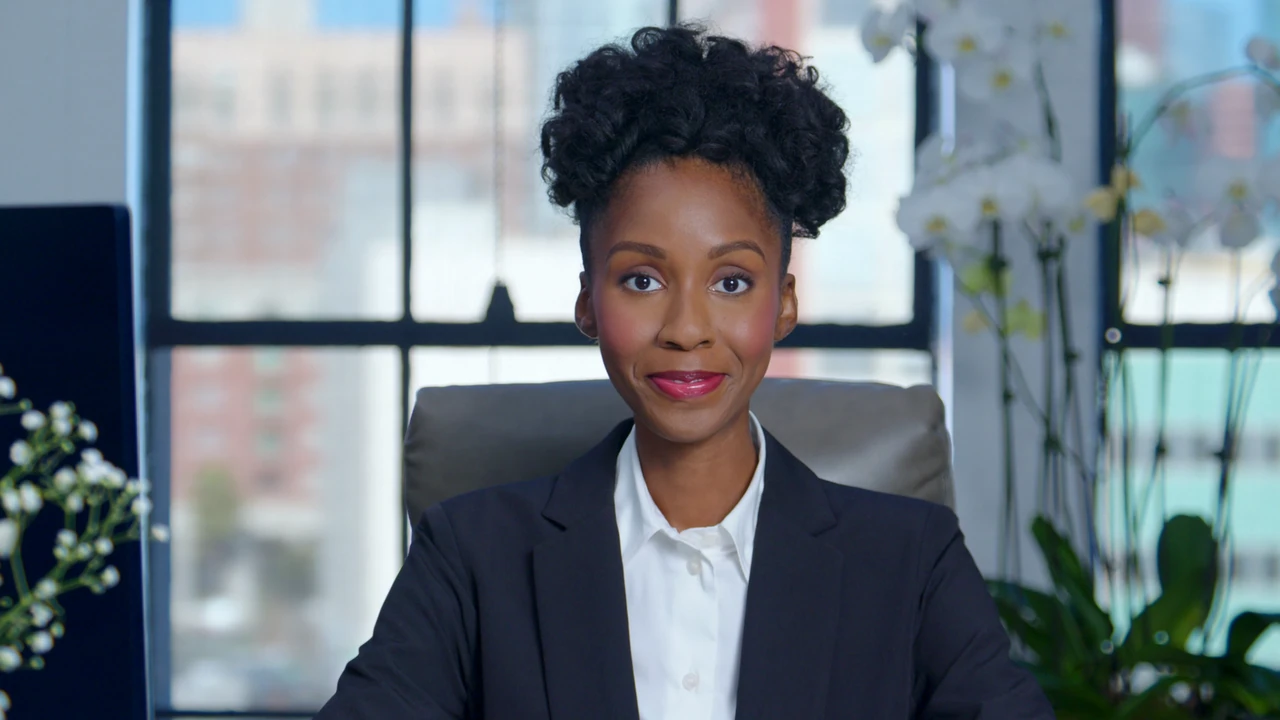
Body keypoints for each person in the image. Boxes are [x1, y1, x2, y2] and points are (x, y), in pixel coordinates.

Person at [315, 24, 1054, 720]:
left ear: (784, 303)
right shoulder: (471, 555)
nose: (687, 329)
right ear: (588, 302)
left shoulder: (911, 561)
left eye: (731, 282)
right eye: (642, 280)